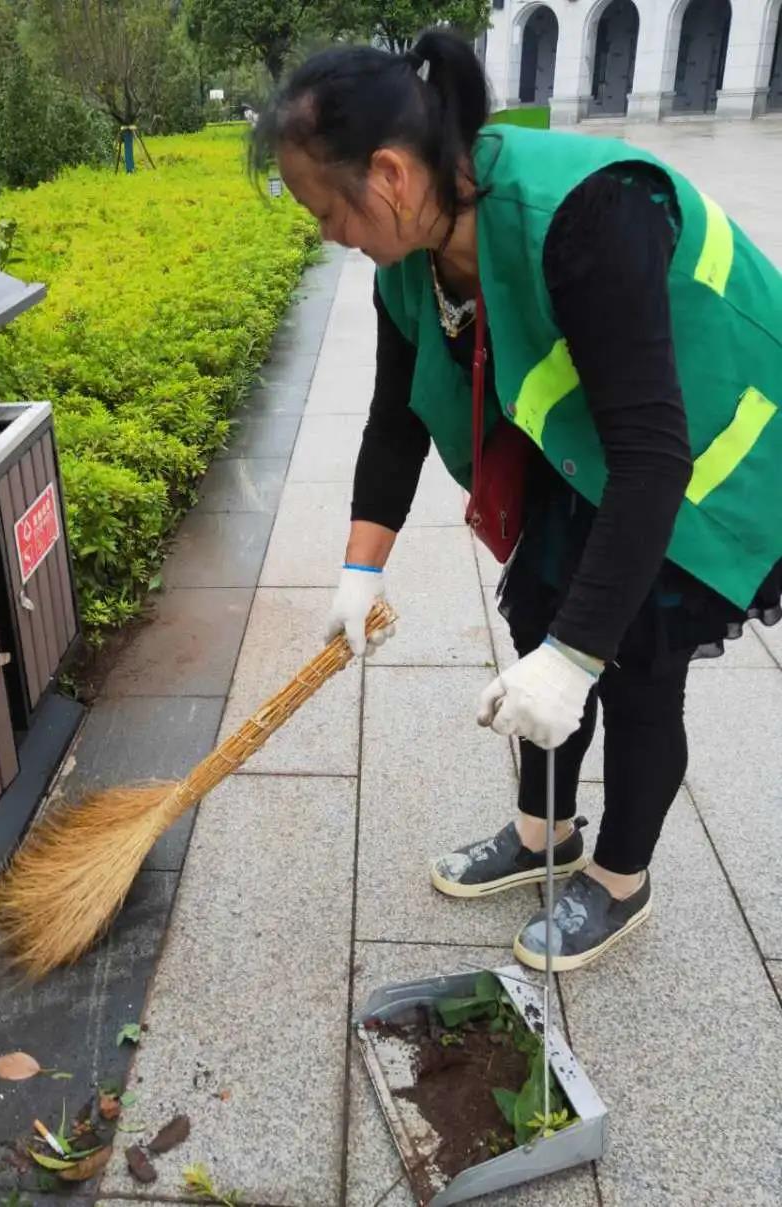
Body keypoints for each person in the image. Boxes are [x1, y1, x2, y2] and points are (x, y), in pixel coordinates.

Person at [250, 31, 782, 971]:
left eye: (326, 209)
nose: (325, 233)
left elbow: (653, 463)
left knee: (636, 664)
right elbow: (392, 418)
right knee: (543, 614)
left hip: (709, 450)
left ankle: (621, 879)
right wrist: (357, 569)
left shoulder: (587, 217)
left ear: (389, 174)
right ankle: (546, 836)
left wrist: (577, 659)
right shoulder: (410, 261)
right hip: (591, 451)